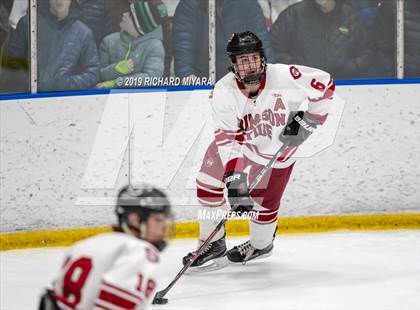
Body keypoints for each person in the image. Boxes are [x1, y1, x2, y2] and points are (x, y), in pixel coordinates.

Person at [182, 31, 335, 267]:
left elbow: (325, 84)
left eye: (253, 58)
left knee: (264, 209)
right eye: (243, 61)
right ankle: (212, 243)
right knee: (206, 183)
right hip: (240, 147)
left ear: (262, 59)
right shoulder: (224, 91)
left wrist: (310, 120)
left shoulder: (284, 76)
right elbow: (227, 138)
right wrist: (235, 179)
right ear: (233, 65)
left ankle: (261, 245)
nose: (250, 66)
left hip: (278, 154)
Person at [39, 184, 172, 310]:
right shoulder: (139, 252)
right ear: (134, 220)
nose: (163, 227)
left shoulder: (86, 244)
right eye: (158, 220)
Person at [4, 0, 100, 92]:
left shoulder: (83, 33)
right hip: (29, 99)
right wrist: (33, 83)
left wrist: (66, 84)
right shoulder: (28, 24)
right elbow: (12, 65)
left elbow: (92, 73)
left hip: (68, 102)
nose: (59, 0)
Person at [270, 0, 375, 79]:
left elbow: (367, 50)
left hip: (342, 85)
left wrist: (348, 69)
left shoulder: (352, 17)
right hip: (301, 86)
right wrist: (298, 70)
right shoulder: (293, 14)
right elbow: (274, 48)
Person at [172, 0, 274, 82]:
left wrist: (267, 77)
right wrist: (189, 79)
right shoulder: (190, 5)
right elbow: (183, 47)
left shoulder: (247, 4)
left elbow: (262, 44)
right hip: (203, 82)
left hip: (241, 82)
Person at [96, 0, 167, 88]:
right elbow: (97, 73)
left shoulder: (154, 46)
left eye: (130, 15)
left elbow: (152, 78)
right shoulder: (109, 41)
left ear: (138, 25)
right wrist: (115, 70)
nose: (124, 14)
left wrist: (117, 83)